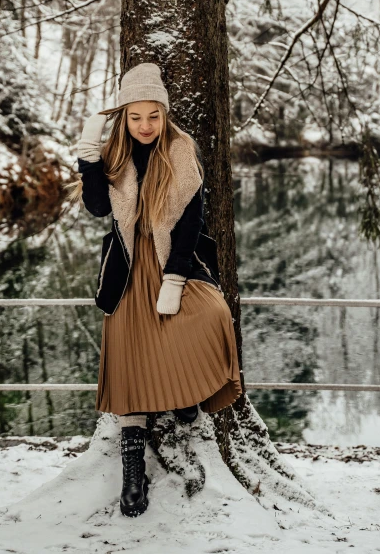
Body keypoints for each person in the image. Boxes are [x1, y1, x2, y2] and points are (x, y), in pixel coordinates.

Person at [74, 62, 242, 518]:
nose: (145, 126)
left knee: (209, 316)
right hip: (128, 267)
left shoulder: (182, 151)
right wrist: (88, 156)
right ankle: (132, 467)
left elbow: (191, 224)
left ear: (164, 114)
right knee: (128, 351)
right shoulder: (112, 154)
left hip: (172, 260)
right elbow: (94, 206)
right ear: (124, 117)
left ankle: (189, 399)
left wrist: (175, 278)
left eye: (153, 115)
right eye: (136, 117)